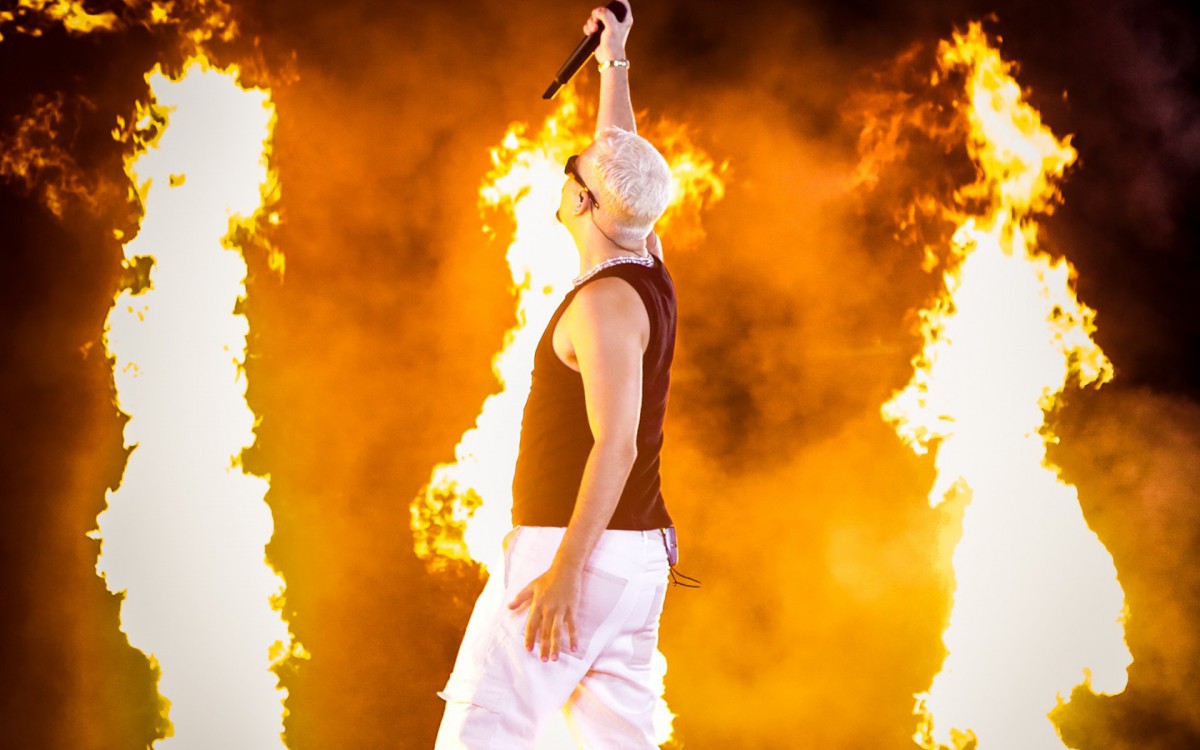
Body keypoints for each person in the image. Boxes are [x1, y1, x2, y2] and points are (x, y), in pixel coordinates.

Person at [434, 3, 681, 748]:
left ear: (581, 202)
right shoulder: (645, 262)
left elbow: (617, 446)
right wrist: (615, 58)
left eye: (572, 171)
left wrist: (567, 571)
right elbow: (621, 158)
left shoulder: (604, 303)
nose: (569, 167)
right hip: (635, 559)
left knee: (481, 737)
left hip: (575, 549)